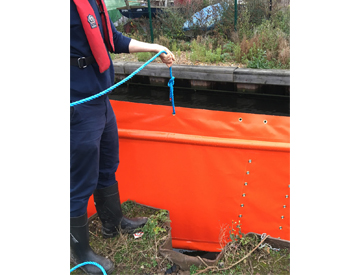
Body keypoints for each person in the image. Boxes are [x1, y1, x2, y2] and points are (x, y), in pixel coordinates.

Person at [70, 0, 175, 274]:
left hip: (101, 97)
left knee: (108, 163)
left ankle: (112, 223)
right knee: (81, 179)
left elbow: (111, 39)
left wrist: (155, 47)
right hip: (77, 103)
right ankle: (81, 254)